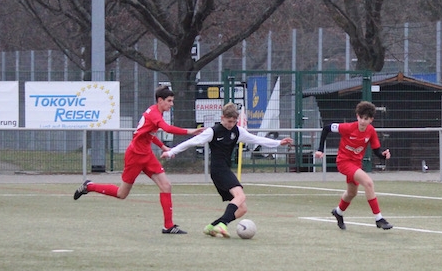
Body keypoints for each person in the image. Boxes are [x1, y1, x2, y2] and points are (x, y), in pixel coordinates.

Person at [73, 86, 204, 234]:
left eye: (172, 101)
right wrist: (190, 131)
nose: (171, 104)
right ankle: (89, 186)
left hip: (147, 155)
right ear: (160, 100)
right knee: (122, 194)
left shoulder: (155, 112)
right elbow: (167, 129)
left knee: (166, 186)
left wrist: (163, 147)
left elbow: (148, 134)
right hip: (135, 156)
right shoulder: (154, 114)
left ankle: (168, 226)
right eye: (169, 101)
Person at [160, 102, 293, 238]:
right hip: (218, 170)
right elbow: (191, 142)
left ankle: (211, 226)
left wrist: (278, 143)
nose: (231, 124)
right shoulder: (213, 131)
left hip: (224, 170)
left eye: (234, 122)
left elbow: (256, 139)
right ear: (222, 118)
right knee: (240, 196)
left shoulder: (238, 131)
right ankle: (223, 225)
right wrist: (171, 152)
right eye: (229, 121)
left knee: (242, 209)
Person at [314, 100, 393, 230]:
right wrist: (320, 149)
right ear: (357, 116)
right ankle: (379, 218)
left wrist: (383, 155)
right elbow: (327, 128)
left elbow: (376, 151)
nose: (362, 121)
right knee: (368, 183)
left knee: (352, 193)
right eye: (360, 117)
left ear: (371, 120)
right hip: (343, 162)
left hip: (356, 164)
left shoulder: (371, 131)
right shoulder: (348, 127)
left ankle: (338, 212)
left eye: (366, 119)